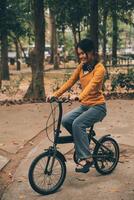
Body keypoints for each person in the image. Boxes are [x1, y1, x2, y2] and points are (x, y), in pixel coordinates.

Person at [49, 38, 107, 173]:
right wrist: (55, 94)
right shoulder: (81, 66)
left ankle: (87, 158)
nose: (81, 56)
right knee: (65, 120)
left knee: (78, 124)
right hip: (85, 105)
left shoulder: (99, 68)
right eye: (79, 54)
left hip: (98, 107)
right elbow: (70, 82)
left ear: (91, 52)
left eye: (83, 53)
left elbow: (92, 86)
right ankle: (83, 142)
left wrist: (80, 96)